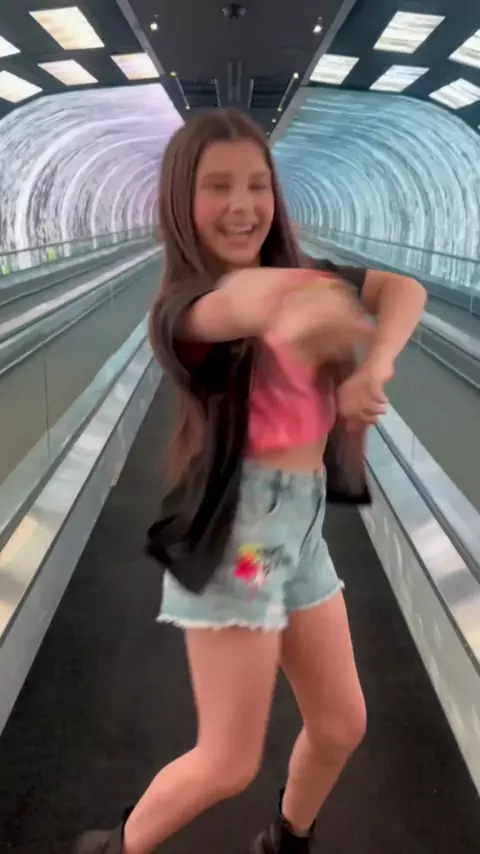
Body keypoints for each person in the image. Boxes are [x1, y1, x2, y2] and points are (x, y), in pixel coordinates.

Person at [75, 109, 426, 854]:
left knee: (341, 724)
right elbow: (246, 303)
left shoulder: (304, 273)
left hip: (302, 527)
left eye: (256, 185)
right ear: (181, 201)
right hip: (246, 535)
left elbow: (402, 290)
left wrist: (375, 364)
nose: (242, 205)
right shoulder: (184, 310)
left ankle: (284, 841)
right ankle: (111, 848)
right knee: (228, 762)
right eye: (217, 187)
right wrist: (304, 307)